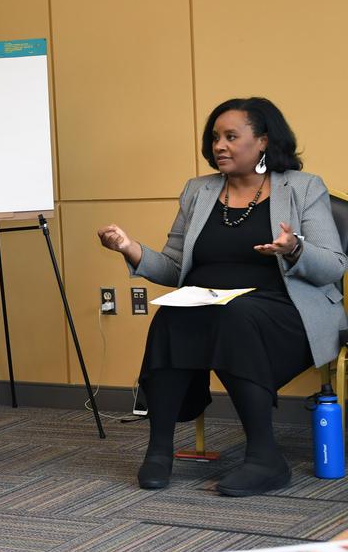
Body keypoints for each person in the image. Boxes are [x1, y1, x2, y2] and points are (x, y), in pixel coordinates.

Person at [98, 97, 347, 496]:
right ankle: (159, 450)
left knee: (237, 316)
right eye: (215, 137)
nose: (220, 145)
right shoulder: (198, 191)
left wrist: (294, 248)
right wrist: (131, 249)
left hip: (286, 308)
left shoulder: (303, 188)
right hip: (209, 305)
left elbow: (333, 266)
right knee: (171, 317)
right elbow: (175, 268)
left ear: (263, 141)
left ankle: (266, 458)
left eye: (232, 136)